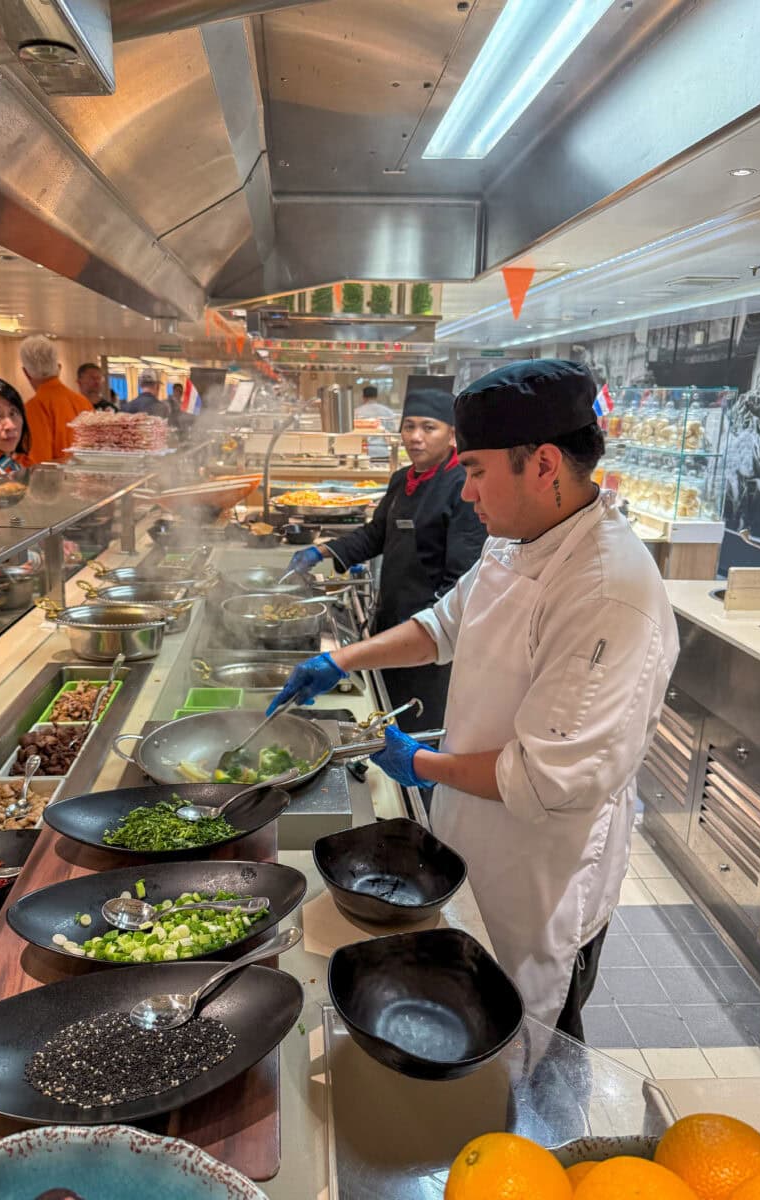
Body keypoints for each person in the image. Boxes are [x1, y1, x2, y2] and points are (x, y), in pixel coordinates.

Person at [267, 359, 679, 1041]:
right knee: (465, 1019)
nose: (469, 492)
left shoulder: (609, 591)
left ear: (543, 464)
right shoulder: (516, 539)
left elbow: (547, 776)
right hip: (475, 837)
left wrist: (420, 765)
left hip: (540, 877)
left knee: (525, 1046)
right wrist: (338, 659)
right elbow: (442, 626)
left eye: (479, 471)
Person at [284, 388, 485, 733]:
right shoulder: (401, 479)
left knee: (417, 720)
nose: (415, 437)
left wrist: (431, 629)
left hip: (430, 634)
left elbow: (461, 578)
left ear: (452, 434)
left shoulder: (461, 488)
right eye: (409, 427)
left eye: (428, 427)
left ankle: (417, 782)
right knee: (387, 709)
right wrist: (325, 550)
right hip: (391, 618)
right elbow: (377, 534)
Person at [20, 335, 92, 465]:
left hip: (55, 483)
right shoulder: (83, 402)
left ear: (26, 372)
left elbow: (39, 462)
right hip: (85, 479)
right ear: (59, 368)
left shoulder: (34, 407)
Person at [354, 384, 399, 462]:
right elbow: (393, 432)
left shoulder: (357, 412)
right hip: (384, 452)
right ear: (376, 396)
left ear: (363, 397)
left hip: (363, 454)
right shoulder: (387, 411)